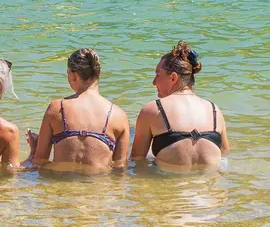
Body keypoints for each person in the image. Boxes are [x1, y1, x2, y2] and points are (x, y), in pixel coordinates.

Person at [27, 48, 129, 171]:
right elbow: (120, 168)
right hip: (99, 187)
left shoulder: (58, 107)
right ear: (99, 73)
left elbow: (39, 162)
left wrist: (34, 149)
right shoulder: (118, 115)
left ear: (73, 76)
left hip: (60, 186)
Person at [132, 41, 229, 170]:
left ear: (173, 78)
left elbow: (137, 160)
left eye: (158, 75)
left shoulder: (154, 109)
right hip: (208, 188)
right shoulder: (214, 110)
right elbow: (224, 153)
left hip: (169, 186)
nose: (154, 82)